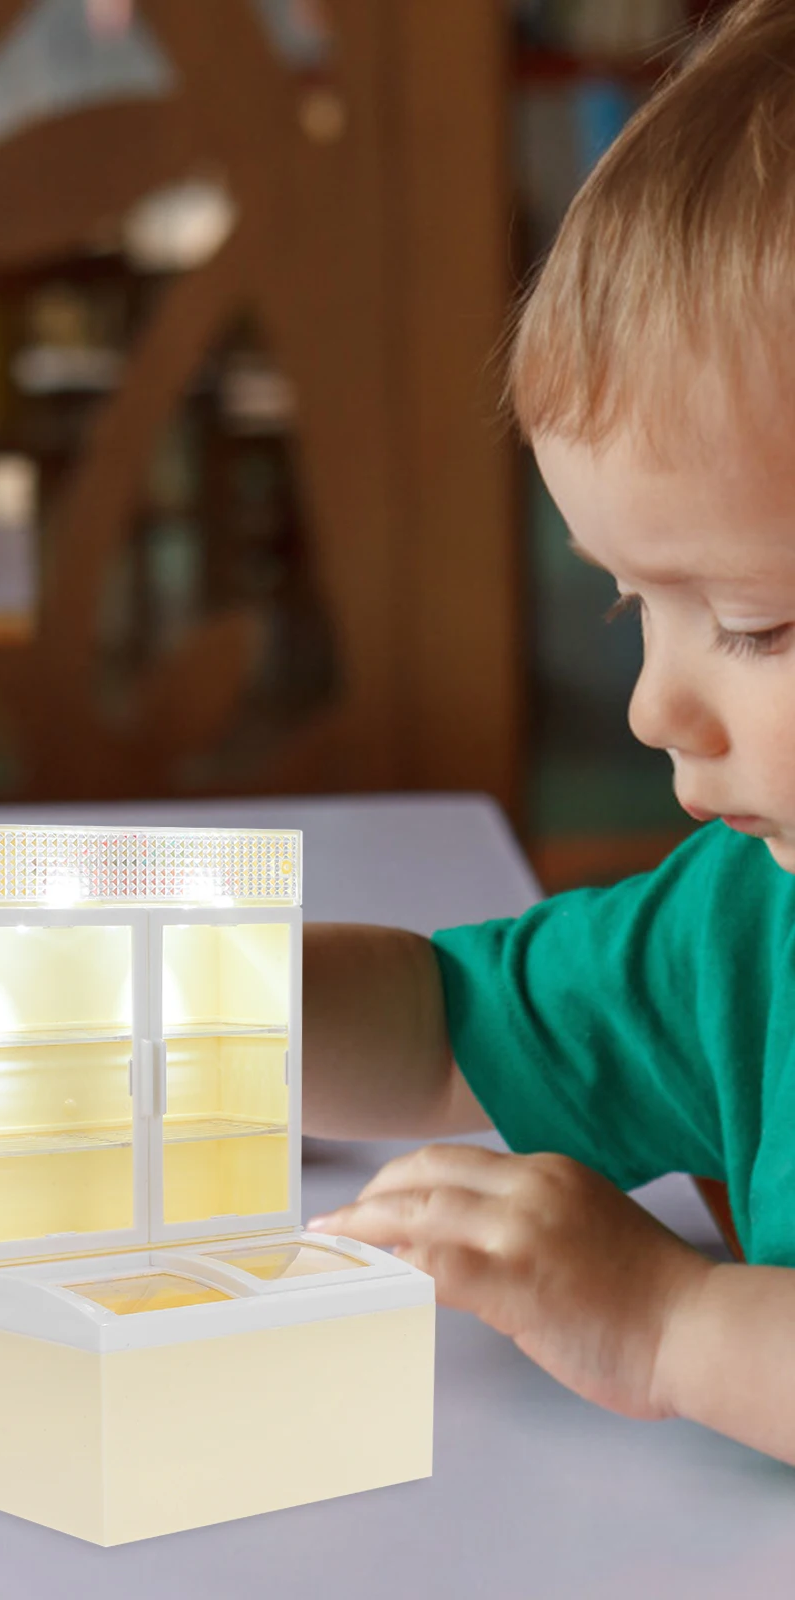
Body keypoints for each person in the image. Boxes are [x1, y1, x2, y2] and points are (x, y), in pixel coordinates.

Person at [303, 0, 795, 1465]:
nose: (654, 706)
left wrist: (670, 1329)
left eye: (759, 624)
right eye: (631, 604)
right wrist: (204, 999)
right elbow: (455, 1035)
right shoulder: (745, 923)